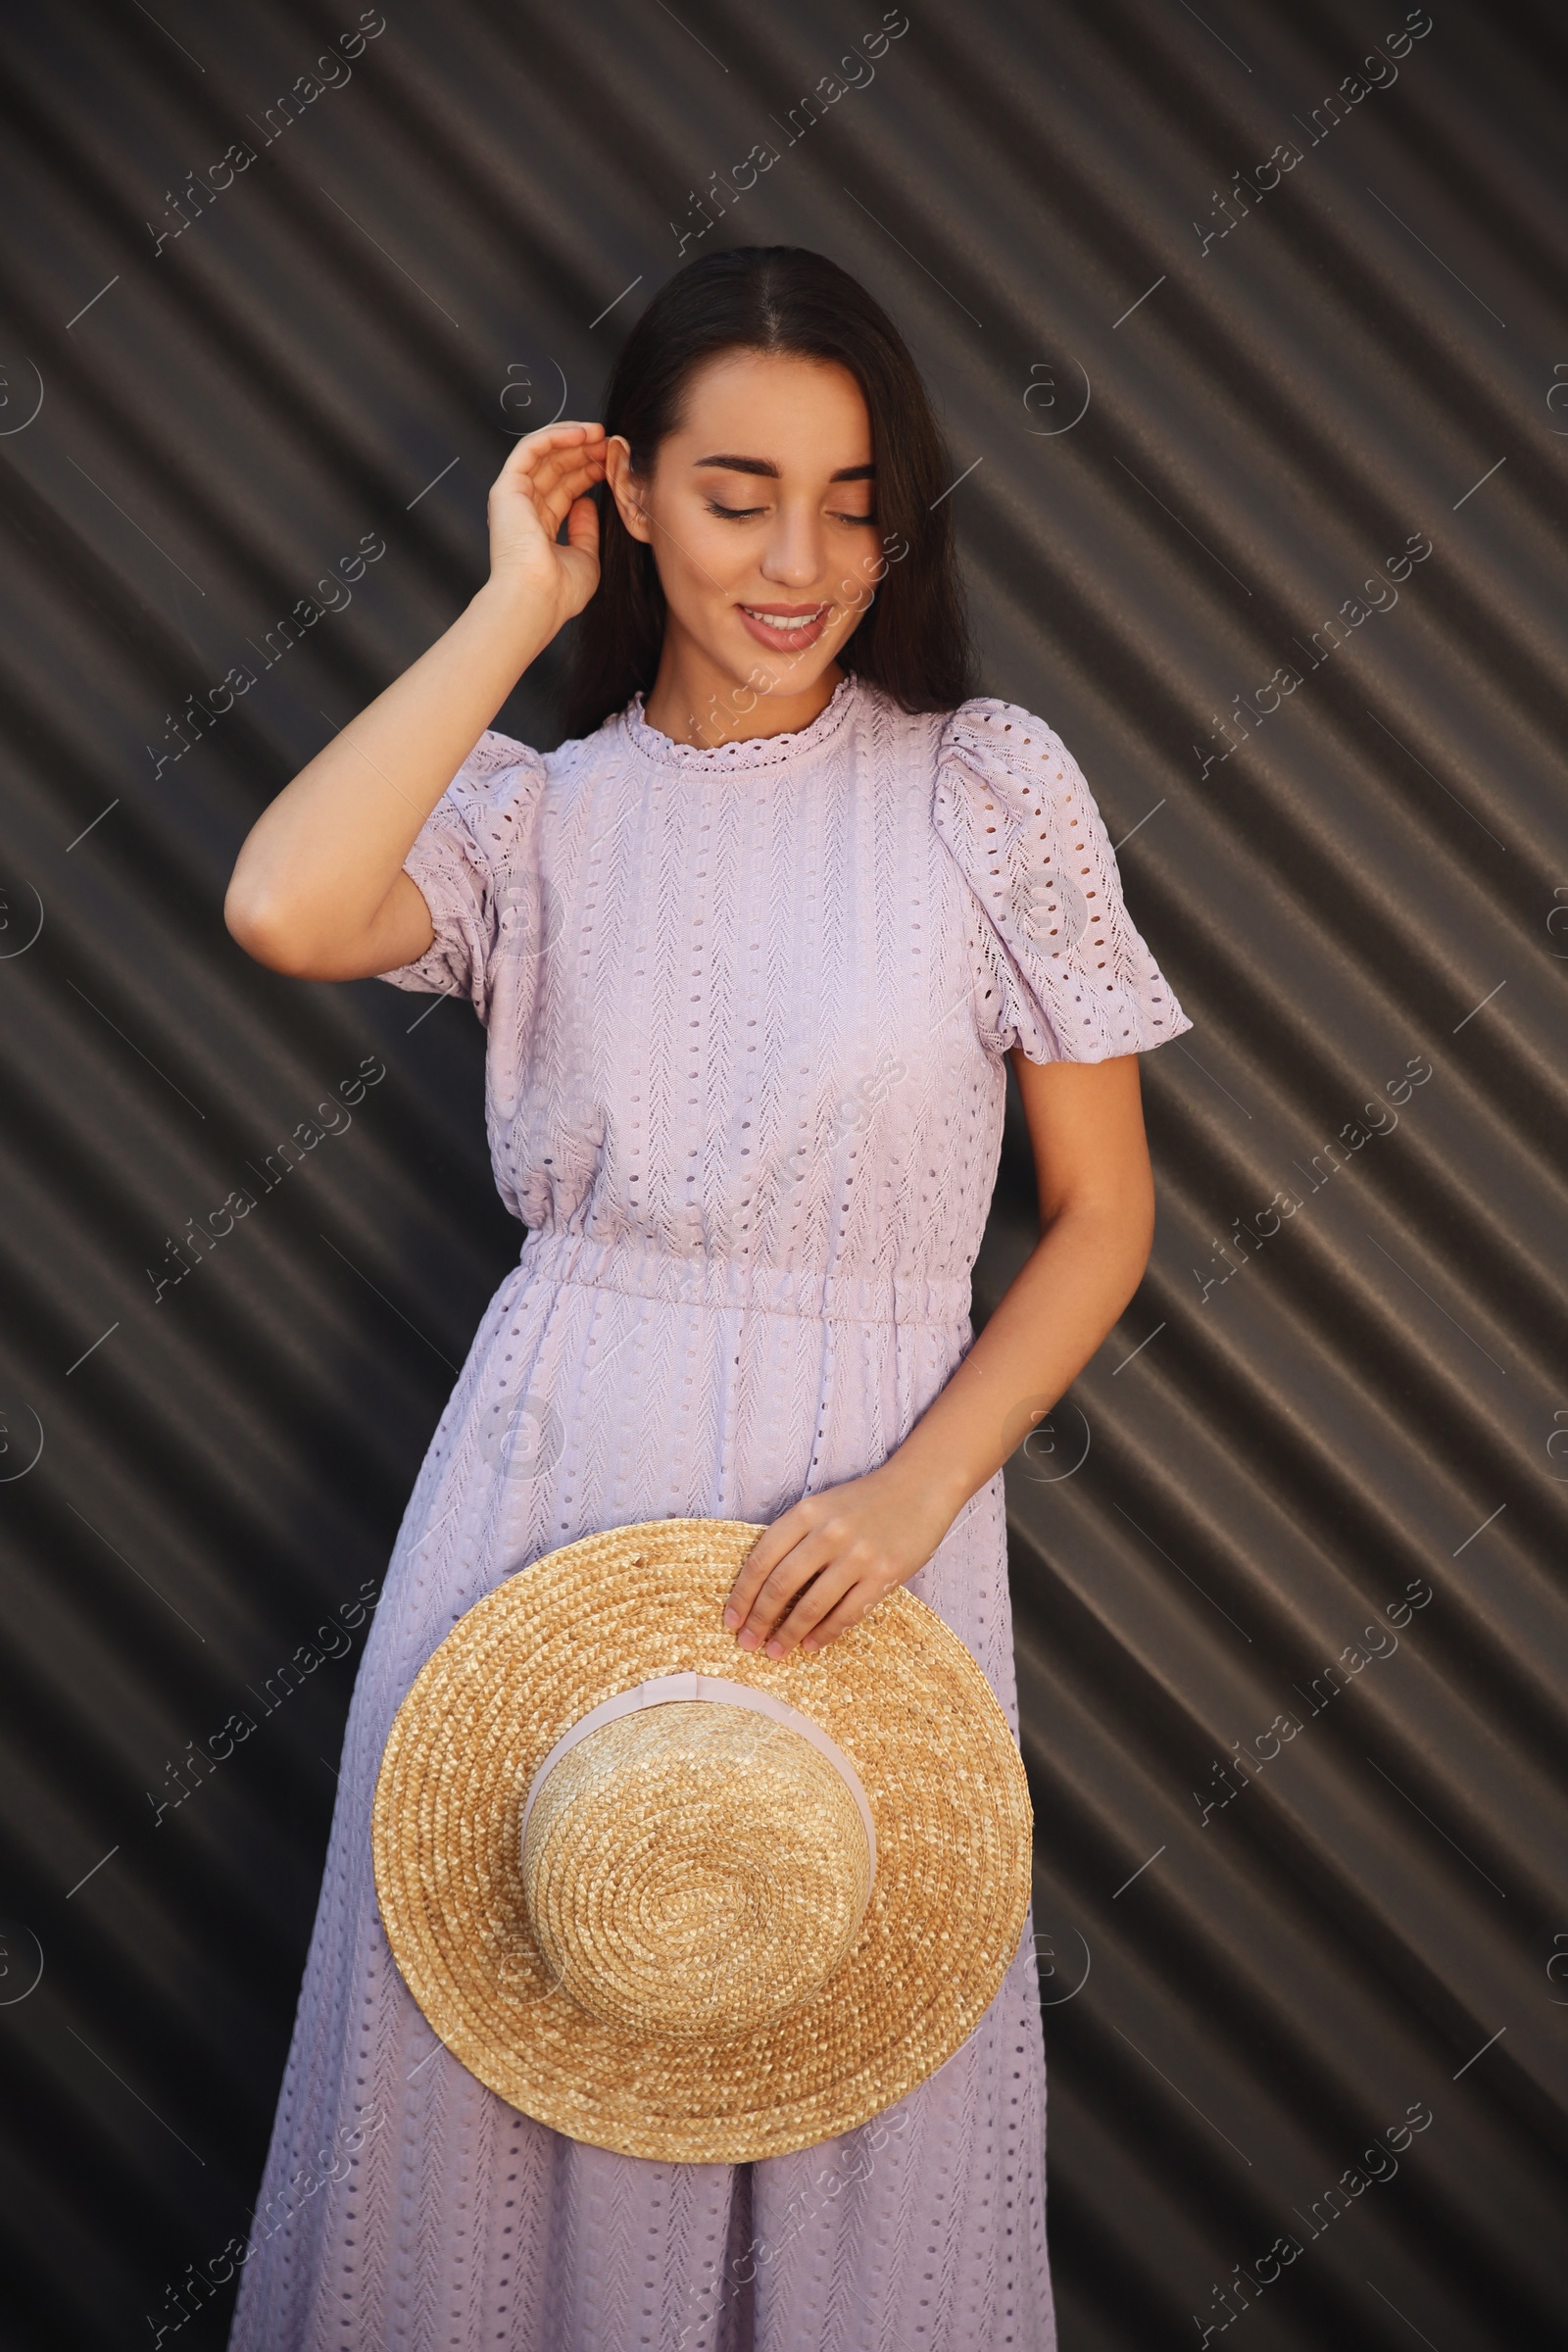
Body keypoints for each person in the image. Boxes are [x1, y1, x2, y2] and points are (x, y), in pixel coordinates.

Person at [221, 242, 1190, 2351]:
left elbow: (1099, 1219)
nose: (798, 558)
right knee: (509, 2022)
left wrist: (919, 1493)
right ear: (623, 494)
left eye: (848, 501)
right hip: (547, 1492)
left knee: (832, 2066)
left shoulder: (982, 783)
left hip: (866, 1520)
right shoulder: (530, 815)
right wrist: (510, 609)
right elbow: (284, 902)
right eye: (733, 492)